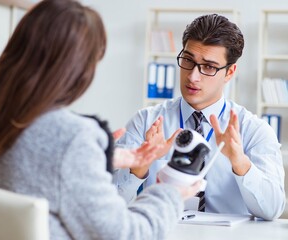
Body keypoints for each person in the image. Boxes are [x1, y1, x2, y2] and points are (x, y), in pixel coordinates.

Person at [0, 0, 201, 239]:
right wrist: (169, 192)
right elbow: (127, 234)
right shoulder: (73, 137)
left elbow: (29, 158)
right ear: (79, 70)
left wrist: (102, 157)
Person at [114, 14, 286, 220]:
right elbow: (107, 204)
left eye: (209, 67)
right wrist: (139, 166)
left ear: (230, 72)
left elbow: (273, 210)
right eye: (188, 60)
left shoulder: (254, 130)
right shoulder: (147, 122)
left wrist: (240, 162)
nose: (193, 76)